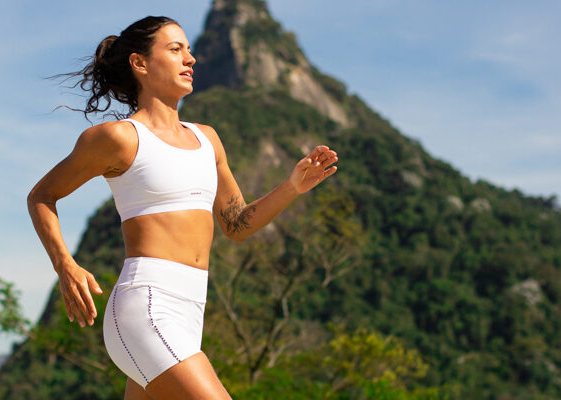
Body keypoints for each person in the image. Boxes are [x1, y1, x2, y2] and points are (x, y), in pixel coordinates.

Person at [26, 15, 339, 399]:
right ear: (140, 63)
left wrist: (292, 187)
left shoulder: (208, 139)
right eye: (175, 50)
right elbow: (42, 195)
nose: (190, 59)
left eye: (189, 50)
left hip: (192, 311)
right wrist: (65, 265)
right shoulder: (119, 138)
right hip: (147, 305)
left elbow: (236, 225)